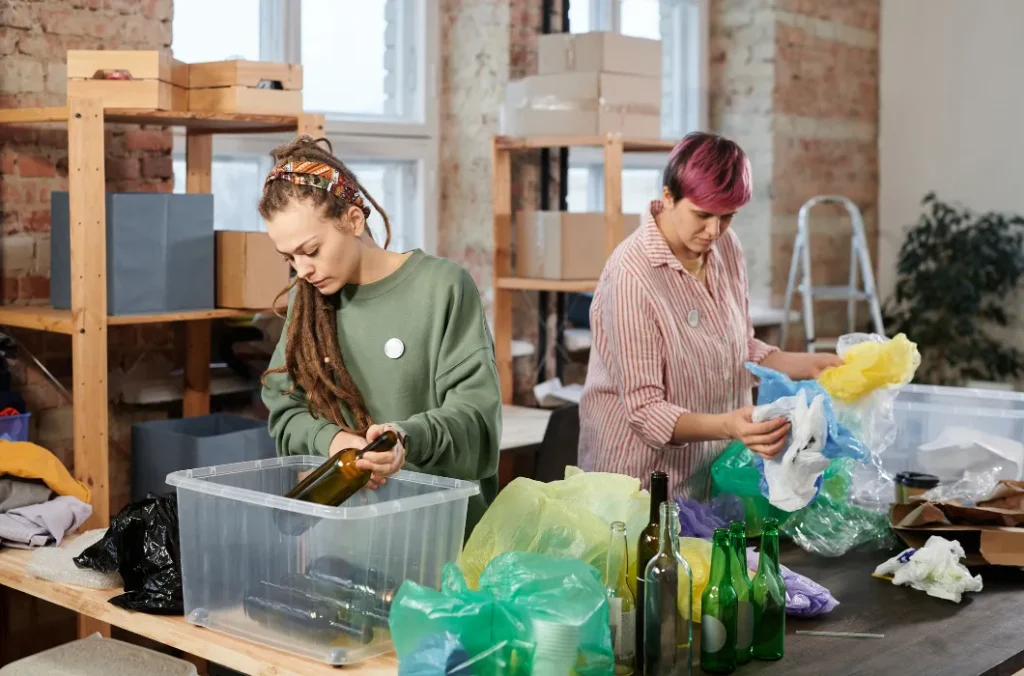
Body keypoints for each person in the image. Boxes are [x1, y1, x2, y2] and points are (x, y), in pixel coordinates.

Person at [578, 131, 842, 500]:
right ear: (668, 197)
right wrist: (728, 425)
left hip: (708, 472)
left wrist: (810, 366)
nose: (713, 231)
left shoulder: (725, 248)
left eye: (727, 217)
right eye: (701, 215)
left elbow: (738, 346)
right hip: (637, 484)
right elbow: (645, 412)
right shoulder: (632, 275)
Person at [259, 135, 502, 532]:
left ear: (354, 220)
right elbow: (285, 412)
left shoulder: (442, 287)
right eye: (290, 258)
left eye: (312, 250)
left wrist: (405, 439)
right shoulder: (309, 306)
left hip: (443, 541)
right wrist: (334, 442)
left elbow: (476, 420)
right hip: (348, 545)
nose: (302, 270)